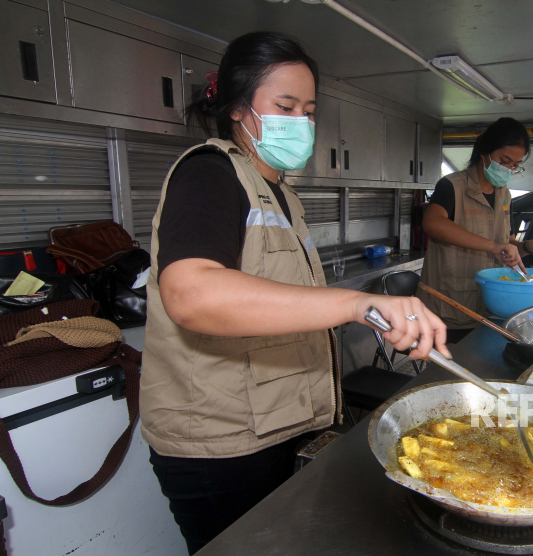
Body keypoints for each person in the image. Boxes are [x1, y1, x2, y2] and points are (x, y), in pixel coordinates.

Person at [139, 32, 449, 555]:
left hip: (279, 427)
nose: (300, 122)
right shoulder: (208, 174)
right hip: (222, 446)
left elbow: (277, 299)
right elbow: (192, 294)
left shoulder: (281, 193)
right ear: (239, 107)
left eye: (308, 110)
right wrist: (357, 304)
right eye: (285, 106)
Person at [417, 118, 533, 343]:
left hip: (490, 307)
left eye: (515, 165)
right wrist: (492, 246)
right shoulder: (452, 186)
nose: (509, 169)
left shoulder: (505, 195)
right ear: (485, 151)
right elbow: (432, 223)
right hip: (450, 306)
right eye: (504, 160)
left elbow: (507, 246)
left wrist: (529, 247)